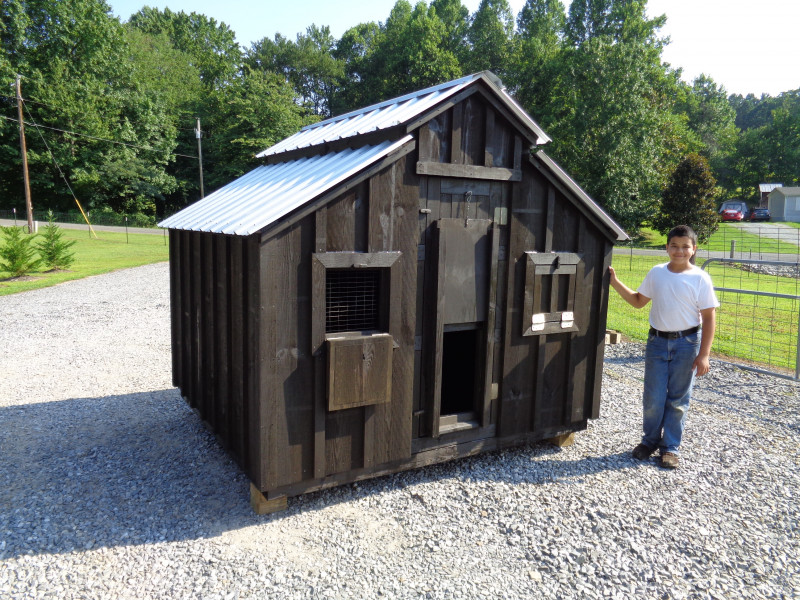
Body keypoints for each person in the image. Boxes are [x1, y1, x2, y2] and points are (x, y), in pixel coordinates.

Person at [608, 225, 719, 469]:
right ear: (666, 247)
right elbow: (638, 301)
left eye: (685, 247)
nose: (679, 251)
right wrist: (614, 282)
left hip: (687, 344)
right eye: (674, 246)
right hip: (657, 343)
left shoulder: (700, 278)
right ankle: (649, 441)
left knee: (678, 399)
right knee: (653, 397)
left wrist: (704, 355)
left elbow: (709, 318)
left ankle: (670, 448)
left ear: (694, 249)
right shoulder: (657, 273)